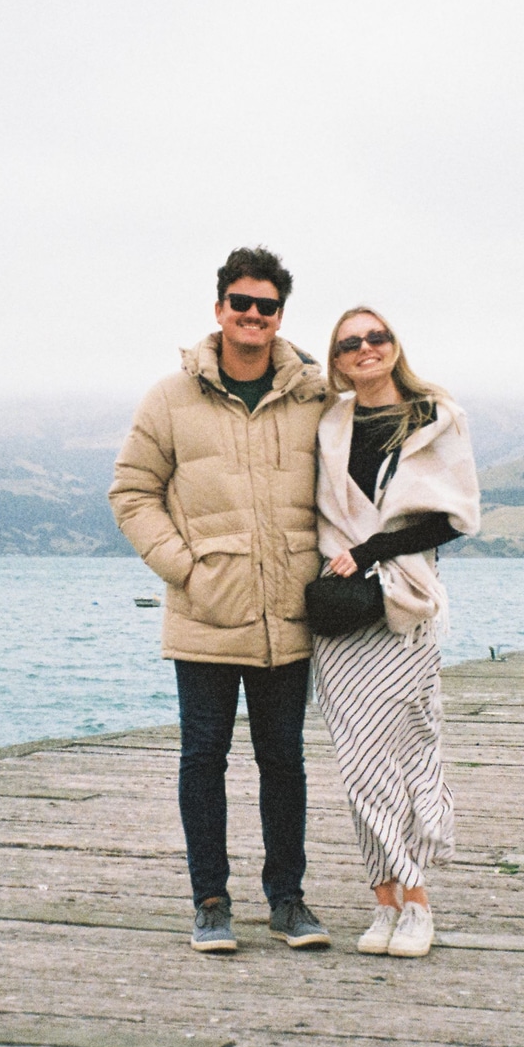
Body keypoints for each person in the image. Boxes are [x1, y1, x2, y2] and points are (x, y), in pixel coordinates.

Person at [109, 246, 331, 955]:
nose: (254, 316)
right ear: (218, 310)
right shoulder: (168, 398)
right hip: (205, 612)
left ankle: (287, 899)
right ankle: (210, 901)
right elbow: (131, 492)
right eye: (242, 303)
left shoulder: (314, 396)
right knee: (203, 758)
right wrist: (185, 568)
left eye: (267, 306)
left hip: (287, 615)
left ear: (280, 316)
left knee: (284, 761)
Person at [309, 307, 481, 958]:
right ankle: (384, 898)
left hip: (404, 605)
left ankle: (418, 902)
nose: (365, 348)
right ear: (337, 359)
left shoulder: (436, 416)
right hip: (341, 612)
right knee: (358, 764)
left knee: (407, 751)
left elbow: (453, 520)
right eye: (349, 343)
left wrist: (375, 547)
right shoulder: (330, 424)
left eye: (375, 337)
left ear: (395, 345)